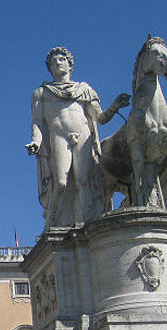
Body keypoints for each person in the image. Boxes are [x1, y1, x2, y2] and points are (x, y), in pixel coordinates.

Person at [26, 47, 129, 228]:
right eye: (53, 62)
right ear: (50, 68)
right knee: (60, 182)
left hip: (83, 135)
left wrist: (115, 106)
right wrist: (35, 141)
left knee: (84, 180)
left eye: (61, 59)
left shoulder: (84, 89)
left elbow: (101, 118)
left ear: (70, 64)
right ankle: (52, 221)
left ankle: (85, 223)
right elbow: (38, 123)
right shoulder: (42, 93)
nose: (58, 63)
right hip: (58, 136)